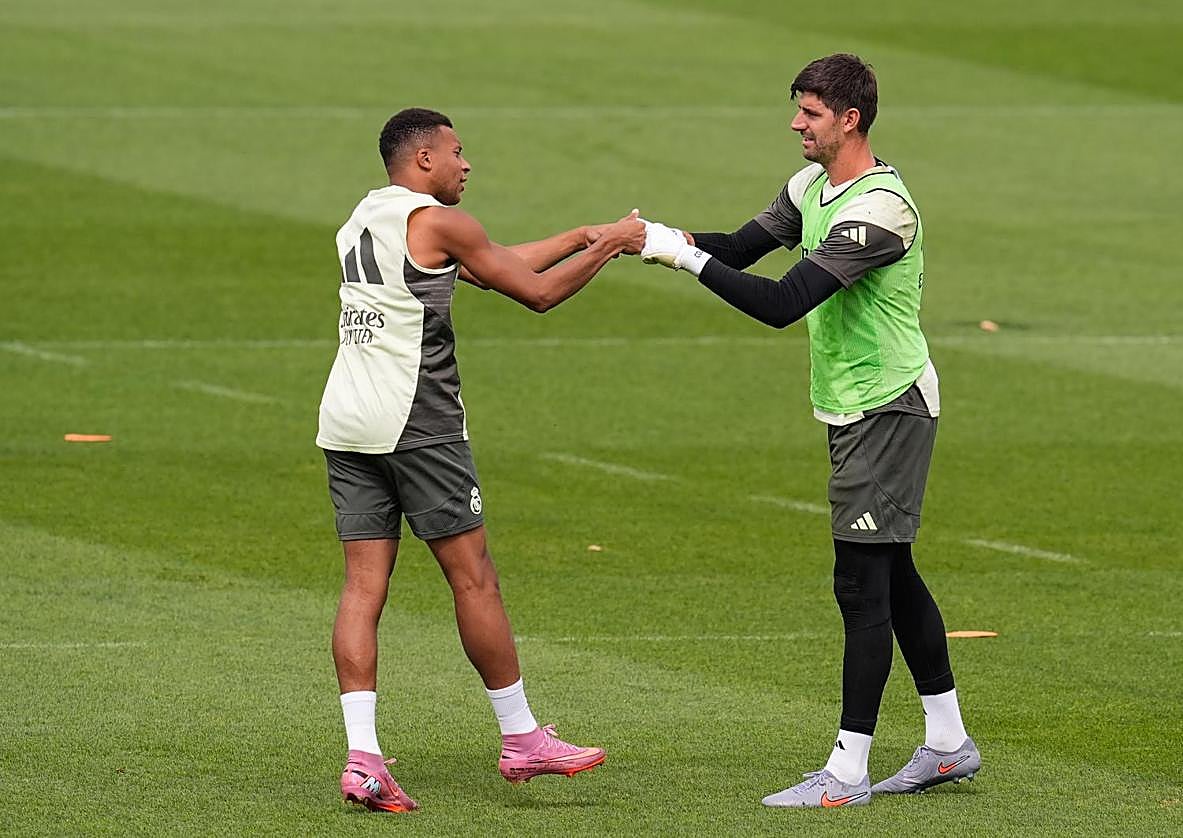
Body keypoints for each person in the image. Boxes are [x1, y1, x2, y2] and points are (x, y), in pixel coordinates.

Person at [638, 54, 980, 808]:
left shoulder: (881, 211)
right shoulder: (810, 187)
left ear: (849, 119)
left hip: (888, 408)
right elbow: (738, 247)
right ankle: (949, 744)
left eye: (811, 112)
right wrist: (656, 235)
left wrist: (679, 257)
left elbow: (783, 301)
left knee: (860, 586)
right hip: (852, 405)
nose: (796, 122)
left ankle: (847, 774)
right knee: (893, 571)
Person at [316, 107, 645, 813]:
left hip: (346, 422)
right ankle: (522, 737)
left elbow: (490, 265)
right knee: (474, 579)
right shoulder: (441, 221)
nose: (467, 165)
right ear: (425, 159)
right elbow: (536, 292)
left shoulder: (366, 215)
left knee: (362, 588)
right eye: (458, 153)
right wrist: (614, 244)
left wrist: (581, 234)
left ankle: (363, 758)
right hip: (419, 424)